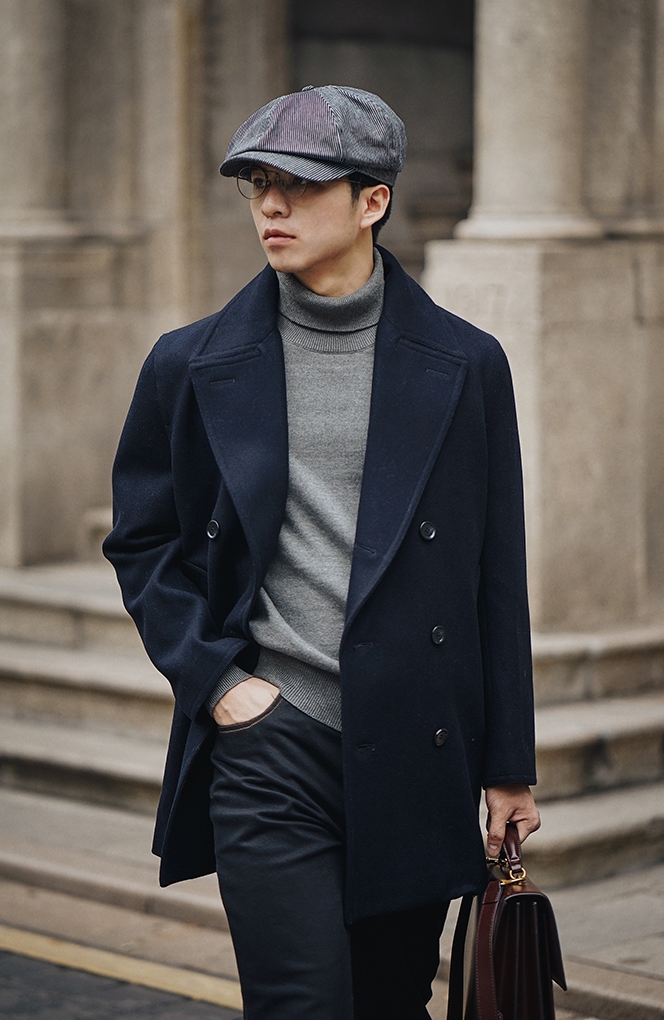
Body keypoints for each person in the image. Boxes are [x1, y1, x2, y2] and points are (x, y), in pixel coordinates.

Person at [104, 85, 540, 1020]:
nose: (270, 205)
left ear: (371, 199)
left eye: (297, 185)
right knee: (300, 1004)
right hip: (270, 745)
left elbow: (495, 576)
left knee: (390, 1003)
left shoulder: (468, 364)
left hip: (416, 745)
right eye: (257, 183)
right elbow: (143, 541)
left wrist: (509, 762)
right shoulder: (189, 362)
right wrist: (221, 686)